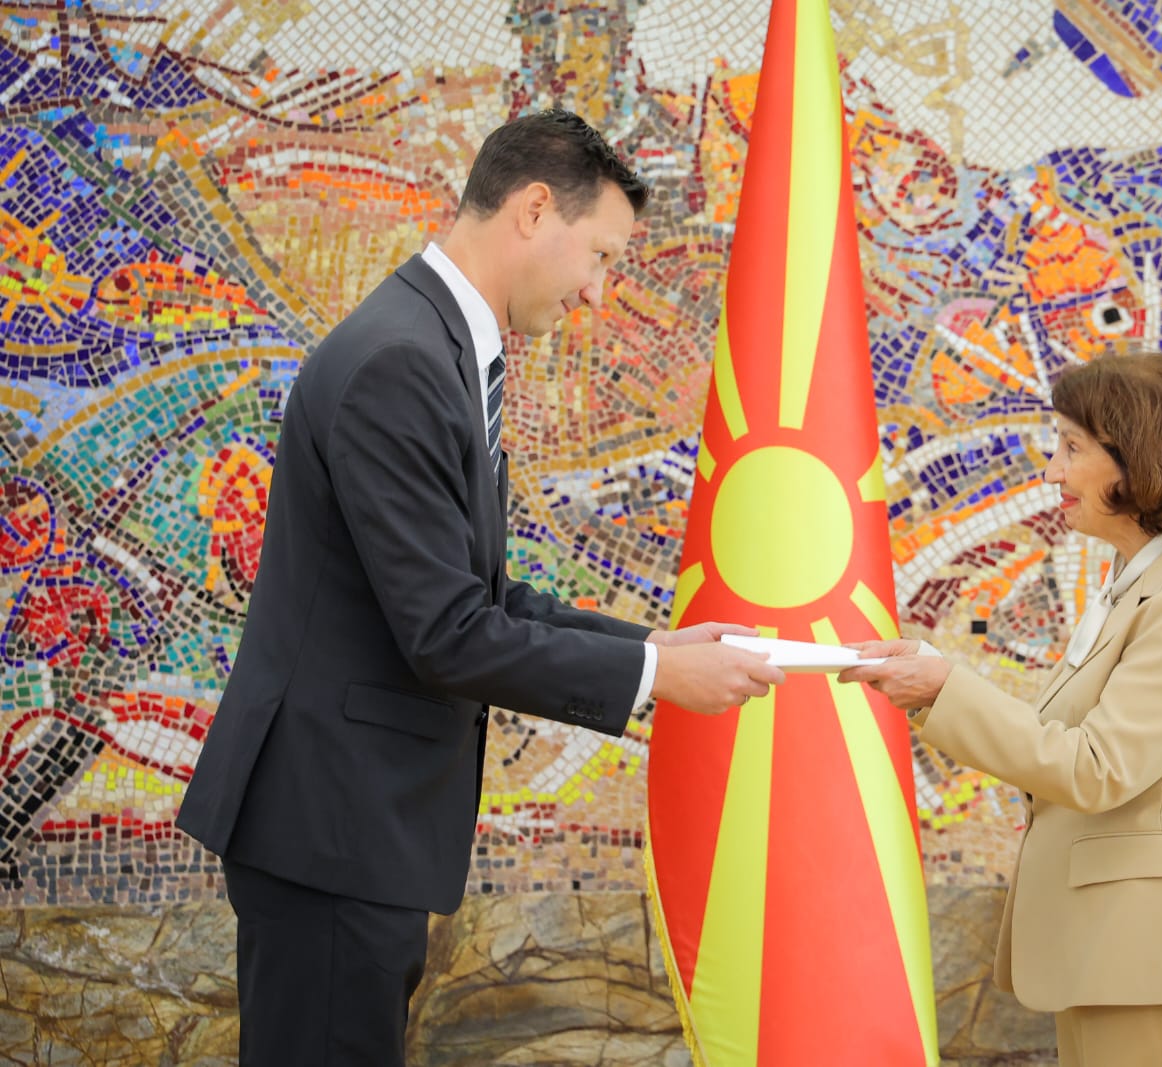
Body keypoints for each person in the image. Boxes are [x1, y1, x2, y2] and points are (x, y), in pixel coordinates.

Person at [175, 108, 785, 1067]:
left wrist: (650, 648)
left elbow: (480, 595)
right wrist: (650, 684)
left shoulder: (439, 349)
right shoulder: (402, 363)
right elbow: (448, 633)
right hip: (332, 825)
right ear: (535, 210)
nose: (598, 291)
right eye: (601, 255)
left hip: (352, 827)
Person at [841, 351, 1162, 1067]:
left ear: (1139, 459)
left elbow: (1098, 767)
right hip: (1120, 949)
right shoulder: (1146, 578)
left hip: (1154, 956)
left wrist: (943, 688)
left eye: (1072, 447)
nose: (1052, 470)